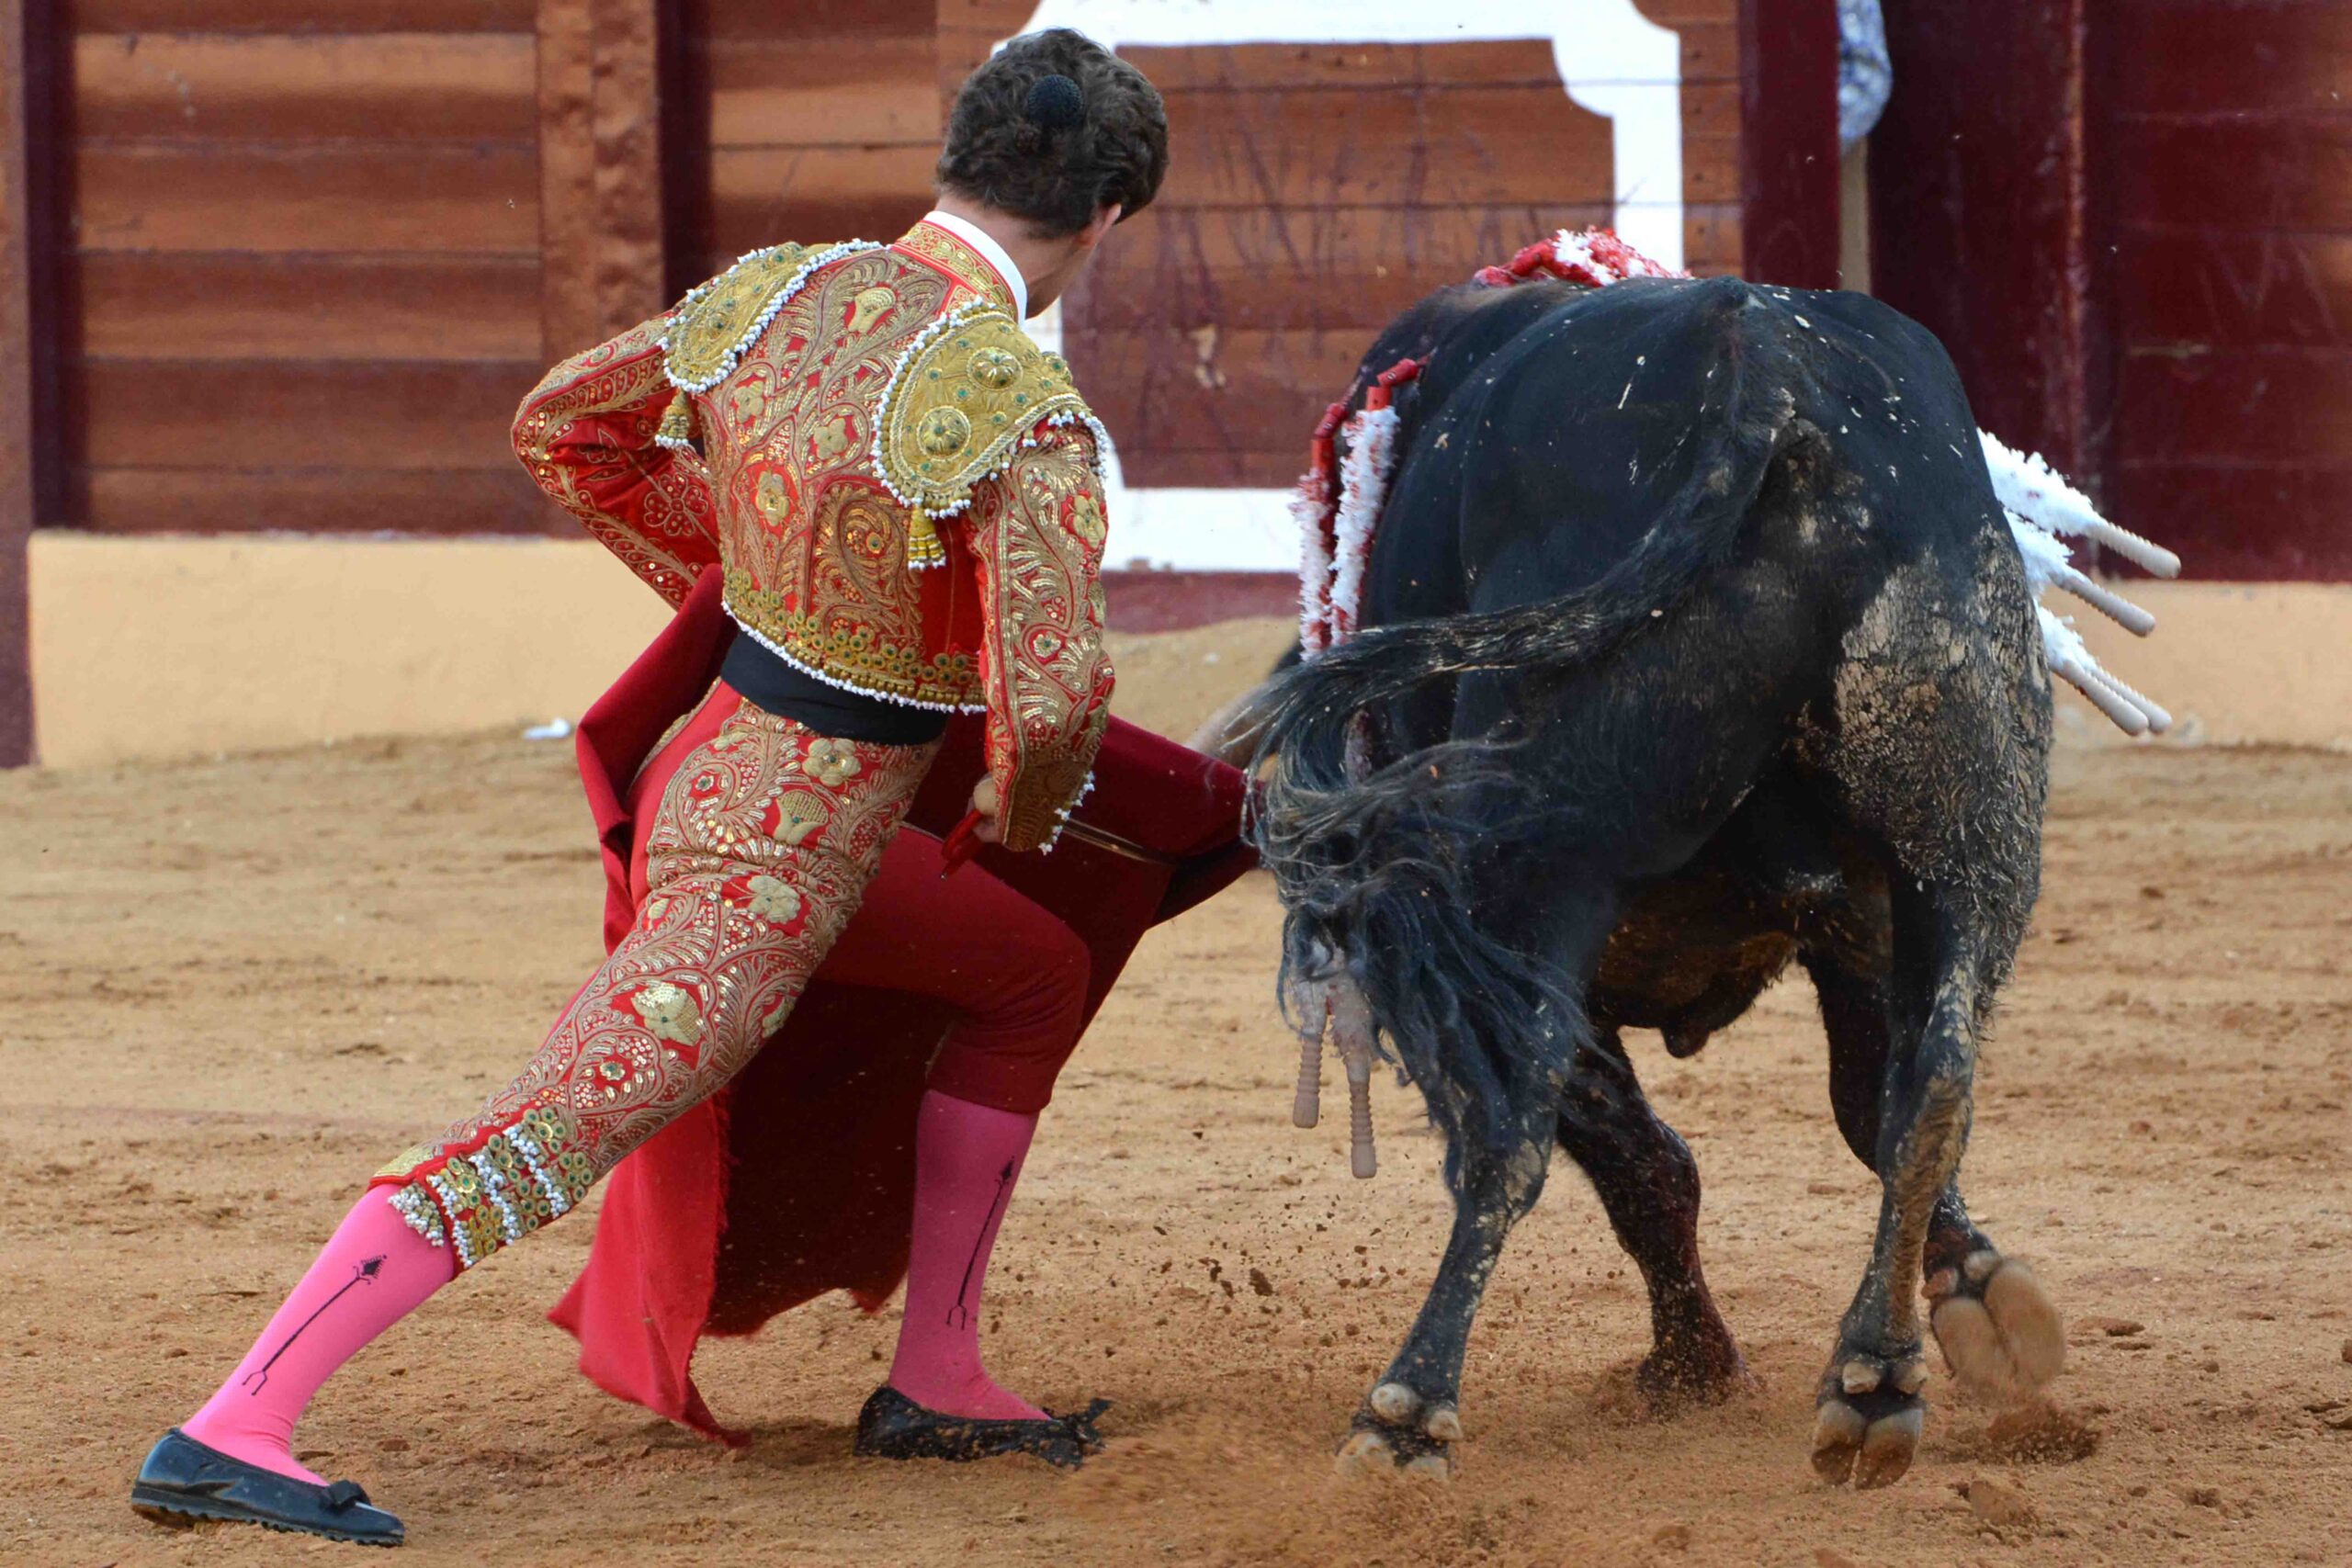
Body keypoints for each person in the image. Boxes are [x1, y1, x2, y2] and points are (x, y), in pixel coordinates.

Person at [132, 28, 1169, 1546]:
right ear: (1106, 221)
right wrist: (1020, 798)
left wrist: (741, 573)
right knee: (568, 1113)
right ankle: (235, 1421)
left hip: (736, 777)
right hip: (771, 855)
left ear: (956, 162)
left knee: (1026, 968)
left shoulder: (775, 293)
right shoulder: (1022, 408)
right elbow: (1063, 690)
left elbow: (567, 428)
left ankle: (940, 1372)